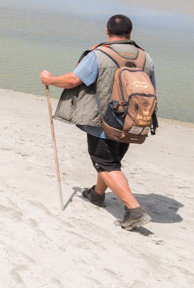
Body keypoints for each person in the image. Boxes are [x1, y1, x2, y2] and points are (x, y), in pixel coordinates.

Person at [39, 14, 154, 231]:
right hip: (133, 121)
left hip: (103, 122)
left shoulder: (99, 55)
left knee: (106, 164)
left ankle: (134, 210)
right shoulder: (145, 58)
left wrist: (49, 80)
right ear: (130, 34)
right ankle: (97, 194)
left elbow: (73, 80)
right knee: (110, 162)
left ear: (107, 31)